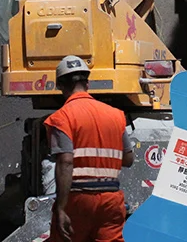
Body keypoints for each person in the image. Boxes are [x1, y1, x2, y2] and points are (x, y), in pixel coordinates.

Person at [44, 55, 134, 242]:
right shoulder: (116, 115)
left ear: (60, 85)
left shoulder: (61, 118)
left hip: (79, 199)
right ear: (88, 83)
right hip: (111, 199)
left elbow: (66, 162)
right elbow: (128, 159)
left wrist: (60, 207)